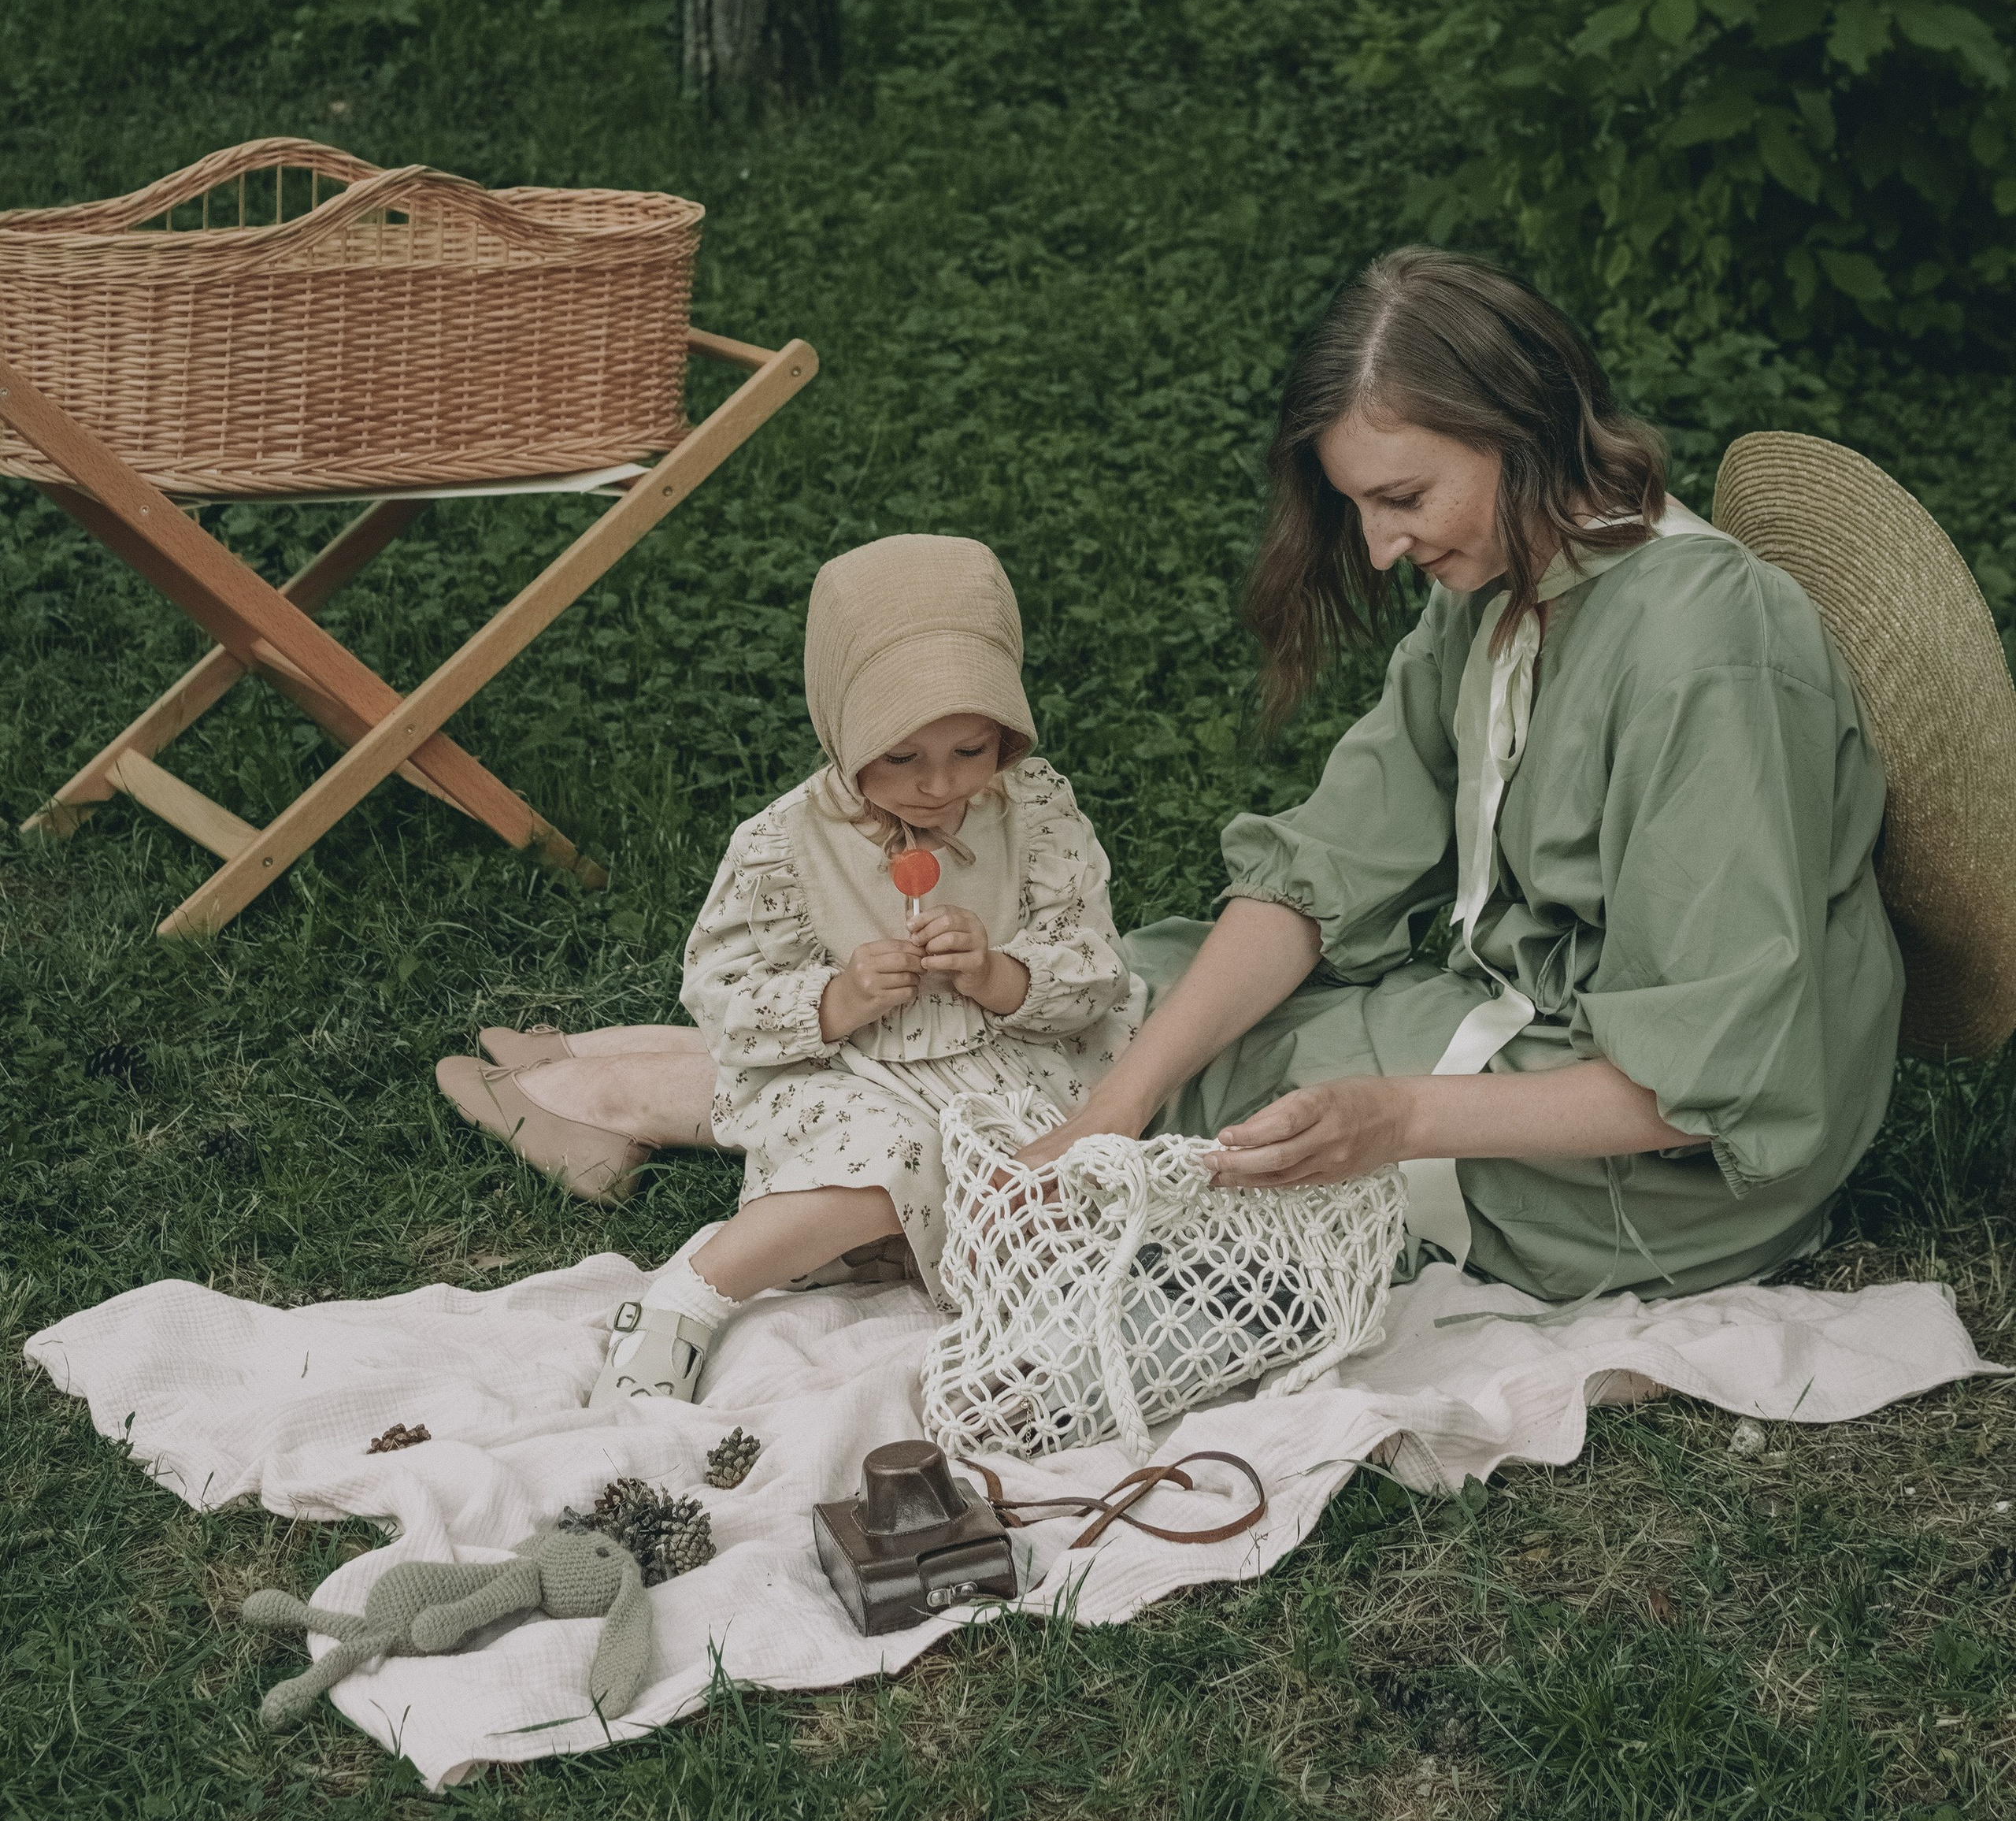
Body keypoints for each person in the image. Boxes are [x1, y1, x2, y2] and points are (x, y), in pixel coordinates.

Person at [1018, 247, 1904, 1302]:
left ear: (1518, 432)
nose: (1381, 549)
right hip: (1533, 1039)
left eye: (1404, 497)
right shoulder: (1499, 589)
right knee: (1123, 1001)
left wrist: (1394, 1118)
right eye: (1359, 507)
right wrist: (1112, 1109)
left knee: (1252, 1108)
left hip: (1677, 1168)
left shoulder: (1703, 655)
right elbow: (1330, 865)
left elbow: (1712, 1079)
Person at [443, 534, 1143, 1399]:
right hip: (850, 1069)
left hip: (1018, 1062)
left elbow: (1090, 957)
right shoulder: (784, 848)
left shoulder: (1032, 808)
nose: (937, 785)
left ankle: (574, 1064)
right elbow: (722, 993)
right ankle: (688, 1297)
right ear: (842, 726)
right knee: (892, 1162)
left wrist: (1002, 973)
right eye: (901, 757)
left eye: (971, 751)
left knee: (1057, 1186)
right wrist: (839, 996)